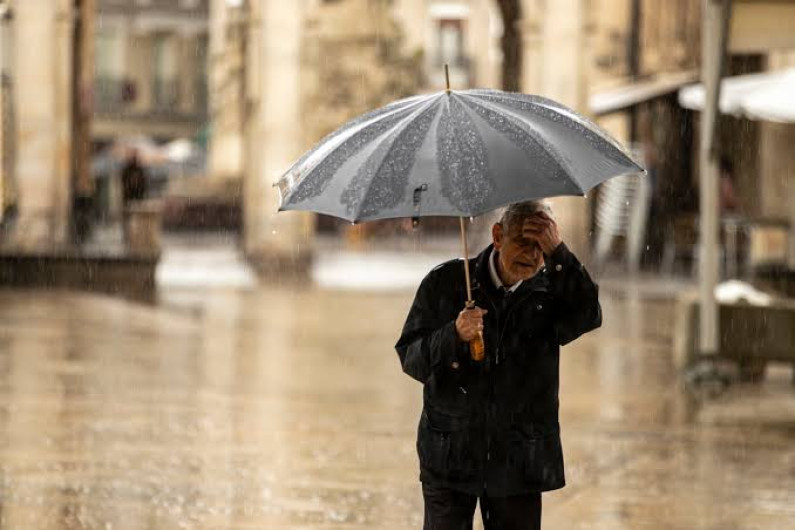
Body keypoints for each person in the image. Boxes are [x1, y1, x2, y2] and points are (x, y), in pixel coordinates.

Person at [395, 200, 602, 530]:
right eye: (523, 242)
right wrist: (454, 335)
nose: (532, 256)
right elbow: (412, 358)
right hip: (450, 453)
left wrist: (559, 254)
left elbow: (589, 315)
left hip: (520, 458)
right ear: (497, 236)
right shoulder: (445, 282)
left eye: (541, 247)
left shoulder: (551, 291)